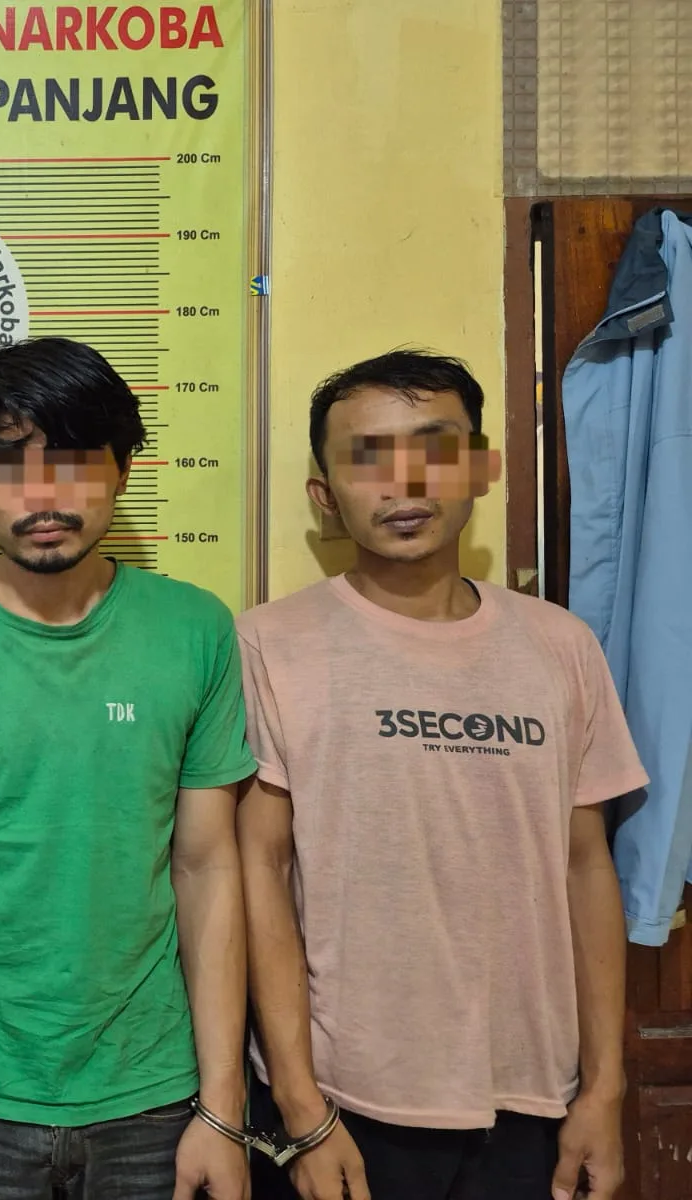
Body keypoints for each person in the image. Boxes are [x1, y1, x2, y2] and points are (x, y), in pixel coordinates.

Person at [0, 336, 258, 1200]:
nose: (42, 497)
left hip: (157, 1097)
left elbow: (208, 867)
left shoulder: (196, 630)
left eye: (72, 464)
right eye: (9, 469)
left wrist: (223, 1109)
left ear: (123, 470)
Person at [236, 350, 646, 1200]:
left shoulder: (562, 646)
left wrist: (604, 1089)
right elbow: (259, 872)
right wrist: (302, 1107)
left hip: (533, 1097)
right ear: (324, 495)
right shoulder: (269, 644)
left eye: (434, 448)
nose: (405, 482)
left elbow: (586, 866)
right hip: (344, 1101)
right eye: (368, 459)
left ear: (481, 470)